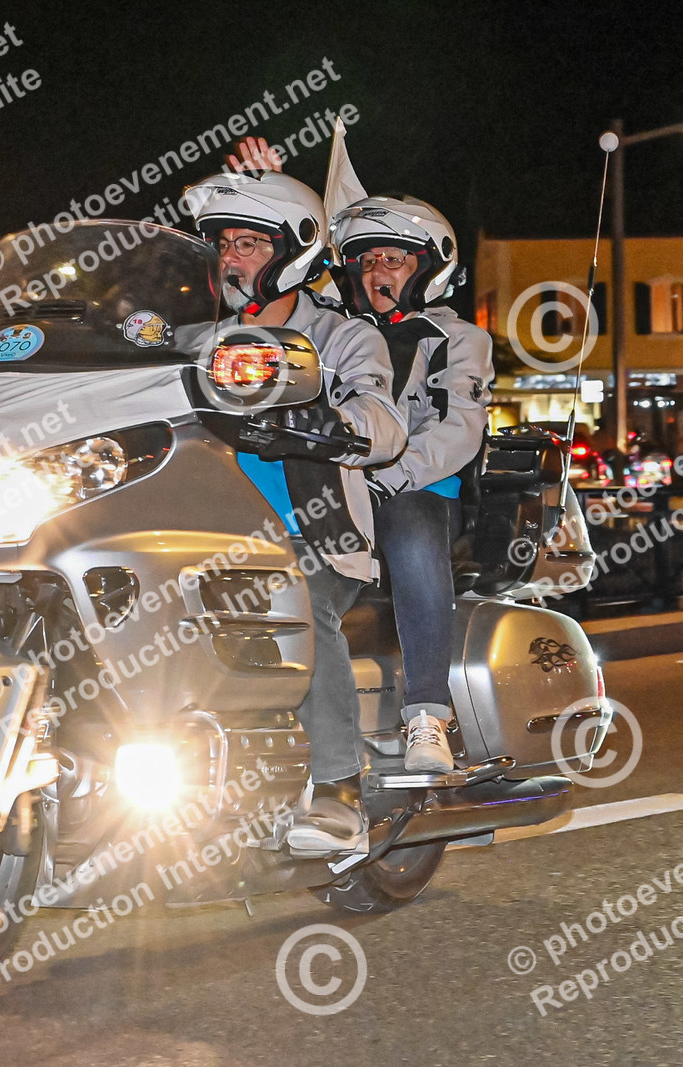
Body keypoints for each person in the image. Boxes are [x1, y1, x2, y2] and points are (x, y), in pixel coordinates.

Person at [183, 170, 407, 853]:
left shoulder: (341, 338)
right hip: (204, 540)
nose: (231, 258)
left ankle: (340, 791)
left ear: (294, 251)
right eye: (224, 243)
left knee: (299, 602)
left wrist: (327, 425)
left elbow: (383, 419)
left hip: (314, 537)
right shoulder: (196, 341)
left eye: (250, 243)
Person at [330, 196, 495, 772]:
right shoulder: (338, 335)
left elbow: (458, 429)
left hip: (423, 490)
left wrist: (387, 479)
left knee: (410, 529)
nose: (377, 271)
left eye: (393, 259)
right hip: (335, 486)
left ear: (428, 267)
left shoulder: (458, 339)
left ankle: (428, 714)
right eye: (366, 261)